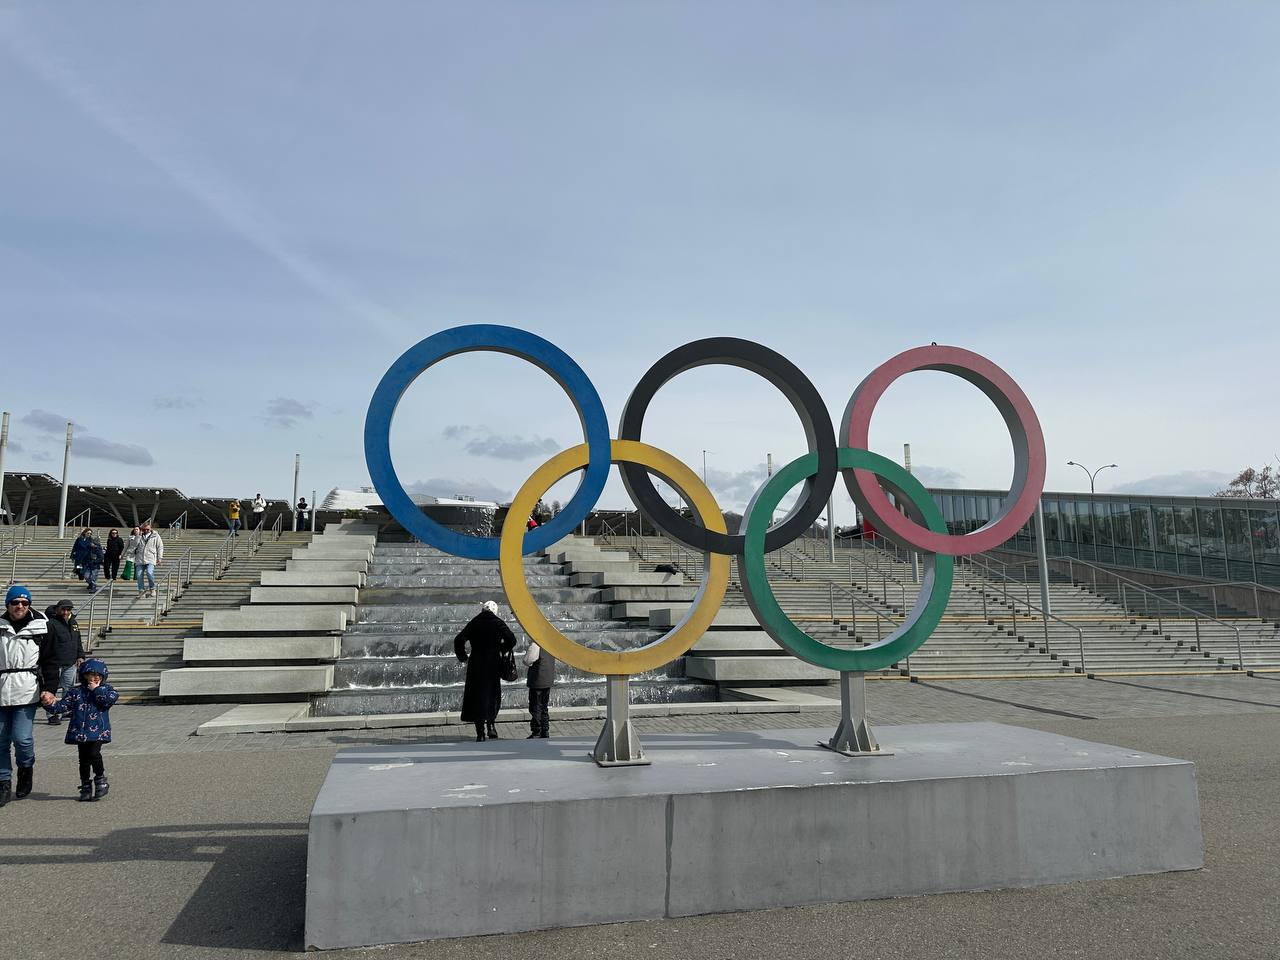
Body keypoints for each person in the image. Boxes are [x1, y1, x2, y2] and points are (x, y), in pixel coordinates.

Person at [0, 584, 57, 806]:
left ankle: (25, 769)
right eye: (15, 602)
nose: (20, 606)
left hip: (27, 689)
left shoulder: (42, 627)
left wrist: (50, 689)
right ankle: (4, 782)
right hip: (2, 688)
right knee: (0, 740)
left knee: (22, 738)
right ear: (8, 604)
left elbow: (50, 662)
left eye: (24, 603)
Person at [52, 657, 117, 801]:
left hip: (98, 731)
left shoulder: (107, 690)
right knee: (83, 760)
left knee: (94, 754)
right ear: (84, 675)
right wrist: (48, 703)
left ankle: (100, 779)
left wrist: (96, 690)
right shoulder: (76, 692)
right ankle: (85, 785)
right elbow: (61, 707)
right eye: (91, 675)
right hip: (80, 732)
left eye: (98, 675)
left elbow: (108, 701)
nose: (94, 678)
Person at [453, 600, 516, 742]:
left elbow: (458, 640)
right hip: (493, 664)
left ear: (482, 609)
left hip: (476, 665)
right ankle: (491, 726)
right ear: (495, 610)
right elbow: (512, 640)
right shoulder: (497, 622)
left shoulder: (474, 622)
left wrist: (463, 657)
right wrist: (500, 649)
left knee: (477, 697)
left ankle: (480, 733)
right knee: (492, 695)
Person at [41, 599, 84, 726]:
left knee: (68, 689)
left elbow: (78, 640)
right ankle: (52, 714)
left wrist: (80, 655)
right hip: (54, 663)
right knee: (51, 689)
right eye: (63, 609)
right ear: (57, 609)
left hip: (70, 662)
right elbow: (46, 645)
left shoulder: (73, 622)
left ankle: (65, 709)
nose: (65, 612)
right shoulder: (51, 624)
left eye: (68, 610)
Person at [522, 639, 556, 739]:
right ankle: (545, 730)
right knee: (544, 707)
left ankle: (537, 731)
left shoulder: (536, 644)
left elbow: (528, 660)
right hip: (548, 679)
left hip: (537, 680)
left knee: (535, 706)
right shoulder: (551, 643)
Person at [132, 521, 164, 599]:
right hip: (140, 559)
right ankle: (141, 591)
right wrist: (138, 536)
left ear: (151, 529)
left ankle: (152, 588)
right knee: (139, 575)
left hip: (150, 558)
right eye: (144, 529)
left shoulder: (156, 536)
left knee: (149, 572)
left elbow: (160, 547)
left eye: (148, 529)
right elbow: (133, 545)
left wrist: (159, 558)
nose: (146, 531)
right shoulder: (139, 536)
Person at [70, 528, 104, 593]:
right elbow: (75, 547)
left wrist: (95, 559)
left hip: (92, 562)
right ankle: (91, 584)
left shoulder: (91, 541)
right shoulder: (79, 539)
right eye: (88, 533)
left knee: (92, 576)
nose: (89, 534)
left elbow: (100, 554)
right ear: (84, 533)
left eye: (90, 533)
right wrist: (73, 556)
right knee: (84, 574)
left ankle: (93, 586)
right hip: (82, 560)